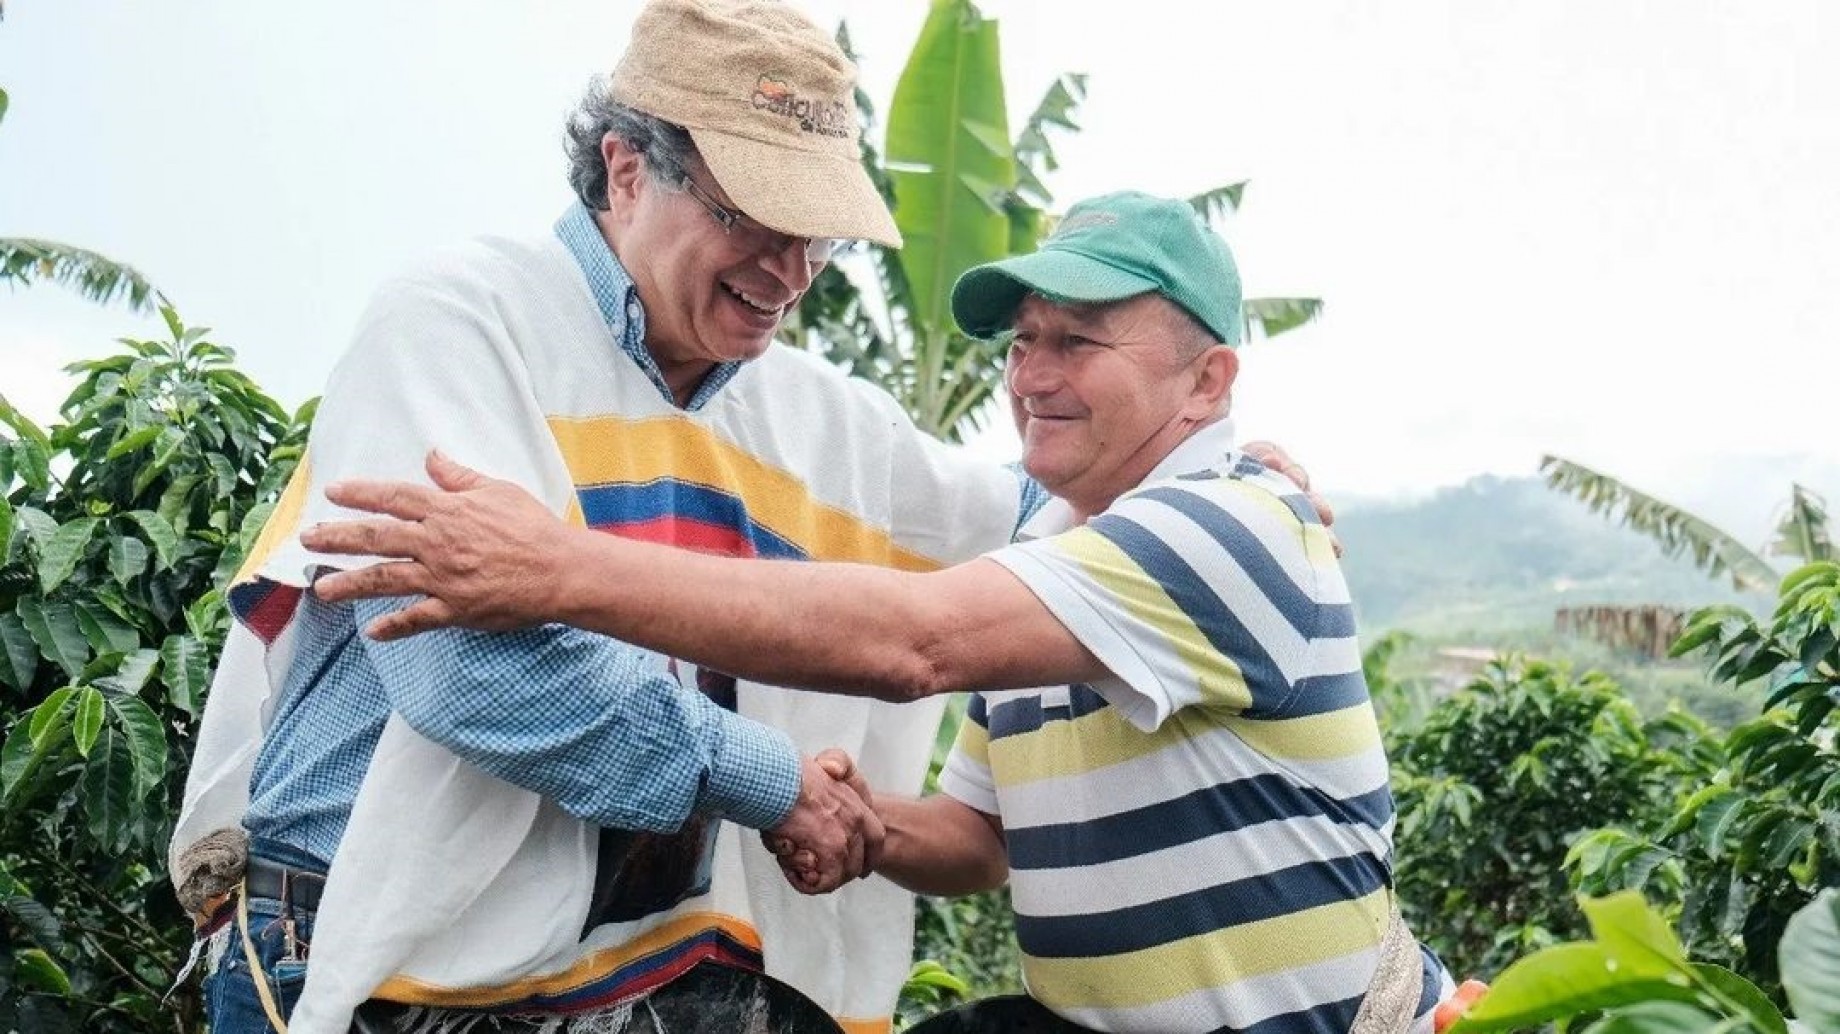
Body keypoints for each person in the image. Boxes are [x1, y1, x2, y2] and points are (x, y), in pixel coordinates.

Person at [305, 191, 1453, 1034]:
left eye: (1077, 340)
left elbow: (917, 640)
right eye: (1023, 340)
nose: (1030, 374)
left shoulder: (1231, 522)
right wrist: (849, 817)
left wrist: (556, 566)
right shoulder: (1047, 556)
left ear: (1208, 382)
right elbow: (982, 840)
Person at [169, 1, 1025, 1031]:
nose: (790, 272)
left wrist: (1182, 446)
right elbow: (467, 672)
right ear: (625, 168)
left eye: (820, 236)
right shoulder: (458, 322)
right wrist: (778, 782)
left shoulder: (819, 423)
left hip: (607, 981)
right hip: (364, 949)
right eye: (750, 217)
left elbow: (1033, 515)